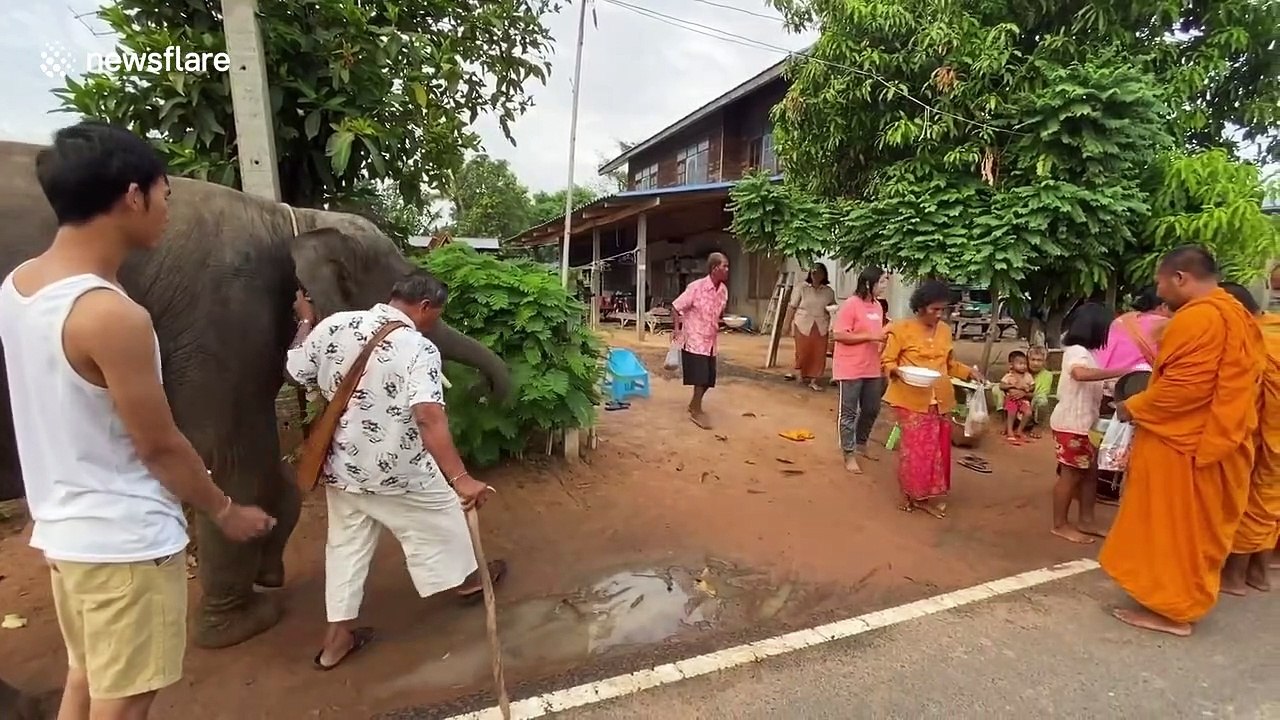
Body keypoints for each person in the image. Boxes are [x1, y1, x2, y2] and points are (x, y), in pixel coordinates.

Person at [0, 122, 275, 718]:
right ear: (133, 196)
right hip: (126, 544)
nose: (167, 214)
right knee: (123, 704)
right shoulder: (112, 316)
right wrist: (224, 510)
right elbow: (159, 445)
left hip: (65, 536)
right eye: (165, 196)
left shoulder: (19, 287)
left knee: (87, 679)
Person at [286, 271, 503, 670]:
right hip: (400, 470)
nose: (434, 322)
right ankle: (471, 582)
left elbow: (295, 371)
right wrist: (462, 479)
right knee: (448, 515)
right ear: (424, 308)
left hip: (344, 467)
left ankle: (336, 641)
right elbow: (428, 417)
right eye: (436, 315)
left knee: (346, 549)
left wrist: (305, 321)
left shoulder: (333, 325)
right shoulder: (418, 347)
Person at [1100, 246, 1264, 636]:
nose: (1158, 291)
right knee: (1185, 529)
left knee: (1172, 528)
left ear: (1180, 278)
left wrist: (1133, 407)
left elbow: (1182, 390)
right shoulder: (1237, 315)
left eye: (1160, 280)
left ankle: (1172, 611)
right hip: (1212, 439)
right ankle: (1171, 598)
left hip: (1185, 445)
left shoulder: (1201, 320)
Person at [881, 279, 984, 518]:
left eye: (942, 310)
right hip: (910, 397)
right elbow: (887, 361)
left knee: (936, 450)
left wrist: (970, 372)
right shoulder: (901, 329)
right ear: (921, 307)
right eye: (934, 309)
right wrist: (898, 372)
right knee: (916, 449)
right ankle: (910, 495)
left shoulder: (946, 331)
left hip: (941, 399)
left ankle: (926, 495)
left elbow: (948, 365)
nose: (939, 315)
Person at [1047, 303, 1126, 544]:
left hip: (1084, 424)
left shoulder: (1089, 353)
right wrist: (1120, 371)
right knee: (1071, 474)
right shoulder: (1077, 351)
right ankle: (1060, 524)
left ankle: (1086, 520)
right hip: (1072, 424)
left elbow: (1093, 380)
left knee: (1090, 474)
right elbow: (1079, 374)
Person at [1219, 282, 1279, 594]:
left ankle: (1234, 577)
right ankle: (1259, 573)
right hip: (1273, 438)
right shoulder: (1272, 331)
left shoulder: (1254, 341)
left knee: (1246, 500)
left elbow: (1242, 394)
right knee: (1269, 502)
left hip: (1258, 434)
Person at [832, 266, 889, 473]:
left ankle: (861, 443)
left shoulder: (877, 306)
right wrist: (870, 337)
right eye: (882, 282)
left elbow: (878, 333)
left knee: (872, 408)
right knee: (848, 412)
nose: (885, 286)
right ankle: (848, 453)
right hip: (850, 367)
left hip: (872, 366)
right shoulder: (850, 305)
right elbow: (839, 335)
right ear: (869, 283)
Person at [672, 252, 729, 429]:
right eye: (724, 266)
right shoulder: (696, 288)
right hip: (695, 338)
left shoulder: (723, 291)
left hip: (710, 341)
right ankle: (696, 409)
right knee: (700, 377)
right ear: (714, 268)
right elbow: (676, 307)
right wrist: (677, 330)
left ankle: (693, 404)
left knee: (709, 379)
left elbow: (719, 312)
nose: (727, 270)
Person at [1094, 285, 1170, 377]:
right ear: (1164, 306)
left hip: (1101, 378)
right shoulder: (1165, 324)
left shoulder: (1122, 320)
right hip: (1134, 382)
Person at [783, 263, 837, 391]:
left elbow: (833, 305)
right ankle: (801, 373)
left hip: (821, 324)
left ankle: (814, 379)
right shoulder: (802, 288)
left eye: (819, 273)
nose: (816, 276)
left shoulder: (828, 291)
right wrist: (786, 324)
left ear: (824, 275)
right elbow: (792, 307)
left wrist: (833, 310)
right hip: (803, 323)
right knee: (803, 351)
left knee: (819, 353)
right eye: (813, 273)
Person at [998, 350, 1036, 443]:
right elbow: (1001, 385)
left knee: (1028, 413)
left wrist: (1028, 389)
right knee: (1012, 412)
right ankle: (1010, 431)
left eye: (1025, 364)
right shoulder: (1009, 376)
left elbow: (1033, 386)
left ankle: (1019, 430)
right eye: (1020, 364)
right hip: (1012, 399)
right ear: (1012, 365)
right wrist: (1012, 386)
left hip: (1023, 399)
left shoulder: (1028, 376)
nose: (1023, 366)